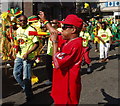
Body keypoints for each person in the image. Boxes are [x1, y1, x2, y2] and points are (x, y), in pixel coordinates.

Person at [38, 11, 83, 104]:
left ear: (73, 30)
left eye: (64, 27)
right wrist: (45, 21)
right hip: (62, 82)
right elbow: (54, 32)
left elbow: (56, 61)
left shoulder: (75, 44)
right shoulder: (69, 40)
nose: (61, 30)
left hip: (68, 85)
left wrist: (54, 43)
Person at [13, 15, 39, 102]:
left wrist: (27, 53)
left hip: (28, 57)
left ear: (27, 21)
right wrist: (16, 47)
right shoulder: (18, 29)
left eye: (24, 21)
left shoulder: (31, 30)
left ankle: (29, 95)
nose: (22, 22)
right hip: (19, 56)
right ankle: (25, 87)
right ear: (18, 22)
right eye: (21, 21)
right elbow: (17, 41)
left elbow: (36, 44)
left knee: (26, 77)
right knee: (16, 74)